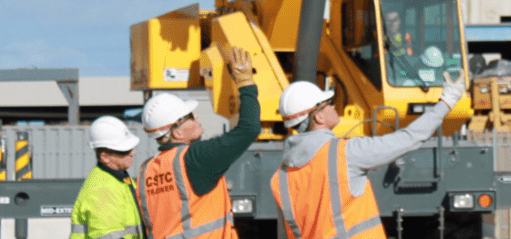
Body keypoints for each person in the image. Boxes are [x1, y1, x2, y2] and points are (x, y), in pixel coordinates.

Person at [271, 70, 466, 239]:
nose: (333, 105)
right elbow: (409, 138)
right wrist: (447, 102)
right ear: (318, 116)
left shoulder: (280, 179)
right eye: (328, 102)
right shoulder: (345, 153)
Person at [136, 47, 259, 239]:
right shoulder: (195, 158)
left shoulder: (147, 171)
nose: (196, 116)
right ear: (176, 132)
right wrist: (246, 83)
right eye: (189, 116)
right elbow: (248, 130)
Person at [70, 116, 145, 239]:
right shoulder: (103, 188)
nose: (132, 153)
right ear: (105, 157)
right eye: (125, 150)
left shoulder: (121, 180)